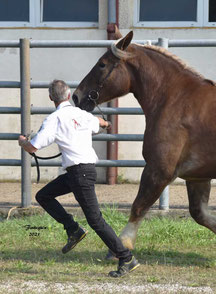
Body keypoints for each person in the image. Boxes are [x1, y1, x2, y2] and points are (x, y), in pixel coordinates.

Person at [18, 80, 139, 278]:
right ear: (68, 95)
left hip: (79, 173)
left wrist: (23, 142)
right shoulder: (82, 114)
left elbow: (33, 147)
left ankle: (126, 258)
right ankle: (73, 229)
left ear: (51, 98)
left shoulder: (54, 119)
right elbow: (99, 123)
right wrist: (106, 123)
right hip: (81, 172)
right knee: (44, 196)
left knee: (96, 221)